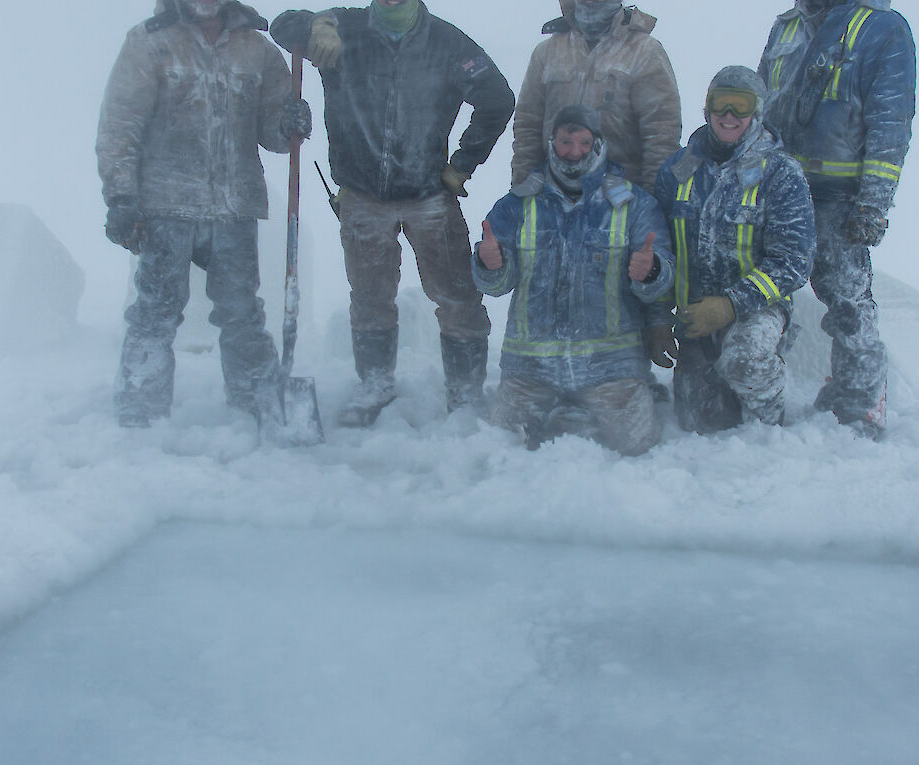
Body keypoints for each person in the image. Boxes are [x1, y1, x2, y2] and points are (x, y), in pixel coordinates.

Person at [270, 1, 515, 427]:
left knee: (457, 296)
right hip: (362, 195)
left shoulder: (447, 43)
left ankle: (465, 392)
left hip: (429, 196)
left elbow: (497, 99)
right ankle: (375, 383)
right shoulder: (344, 31)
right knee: (370, 297)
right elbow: (283, 26)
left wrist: (461, 166)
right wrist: (318, 23)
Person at [96, 0, 313, 428]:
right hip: (165, 205)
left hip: (234, 209)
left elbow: (272, 133)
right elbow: (120, 125)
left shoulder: (258, 50)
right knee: (155, 312)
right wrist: (121, 197)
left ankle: (259, 409)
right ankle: (139, 415)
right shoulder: (151, 41)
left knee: (242, 313)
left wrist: (289, 122)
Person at [473, 105, 674, 455]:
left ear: (598, 145)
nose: (575, 151)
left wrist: (651, 271)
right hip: (530, 367)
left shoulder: (635, 205)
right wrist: (489, 265)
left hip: (610, 367)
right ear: (552, 143)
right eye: (566, 141)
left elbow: (662, 282)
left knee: (640, 448)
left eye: (584, 142)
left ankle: (624, 396)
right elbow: (495, 286)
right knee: (499, 448)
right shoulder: (516, 205)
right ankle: (568, 413)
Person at [758, 0, 915, 438]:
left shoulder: (882, 29)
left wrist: (873, 202)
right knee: (768, 294)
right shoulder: (787, 26)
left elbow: (891, 121)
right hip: (778, 191)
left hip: (840, 197)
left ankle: (861, 401)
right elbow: (760, 108)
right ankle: (762, 395)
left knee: (847, 302)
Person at [513, 0, 683, 380]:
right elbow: (526, 125)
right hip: (555, 198)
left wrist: (652, 203)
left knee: (623, 289)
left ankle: (627, 378)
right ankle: (551, 375)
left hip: (622, 198)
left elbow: (661, 134)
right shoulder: (547, 51)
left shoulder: (645, 52)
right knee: (556, 286)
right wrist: (522, 192)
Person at [652, 66, 815, 433]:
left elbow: (794, 262)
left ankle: (771, 420)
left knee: (744, 361)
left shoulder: (781, 173)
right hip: (695, 316)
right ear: (706, 108)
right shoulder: (677, 170)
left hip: (757, 309)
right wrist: (658, 318)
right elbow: (658, 250)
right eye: (720, 104)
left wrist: (730, 305)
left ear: (757, 111)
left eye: (739, 106)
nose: (729, 116)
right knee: (699, 423)